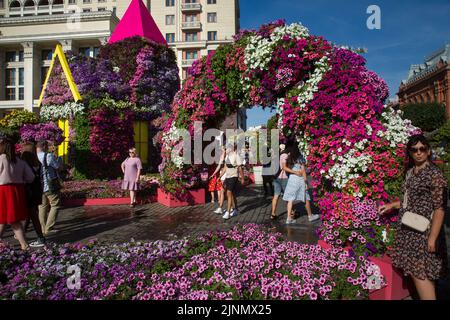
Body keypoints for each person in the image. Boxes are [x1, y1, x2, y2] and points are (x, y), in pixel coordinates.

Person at [379, 134, 448, 300]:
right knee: (421, 273)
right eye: (414, 149)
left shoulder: (434, 175)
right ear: (410, 152)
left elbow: (440, 208)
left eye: (422, 149)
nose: (419, 153)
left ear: (428, 150)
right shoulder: (411, 172)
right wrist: (393, 205)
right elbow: (409, 200)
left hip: (424, 232)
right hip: (409, 230)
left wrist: (432, 238)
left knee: (420, 275)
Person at [0, 139, 35, 250]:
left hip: (3, 190)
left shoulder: (1, 159)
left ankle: (24, 244)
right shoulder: (19, 161)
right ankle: (23, 244)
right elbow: (31, 177)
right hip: (17, 190)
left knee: (8, 218)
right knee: (9, 218)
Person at [282, 146, 319, 224]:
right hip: (300, 179)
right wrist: (306, 182)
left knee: (290, 199)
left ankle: (289, 218)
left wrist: (293, 172)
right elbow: (303, 171)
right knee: (306, 198)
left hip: (292, 179)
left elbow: (284, 167)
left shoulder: (289, 157)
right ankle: (310, 216)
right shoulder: (300, 157)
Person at [21, 143, 46, 248]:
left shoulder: (24, 164)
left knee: (32, 214)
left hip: (28, 191)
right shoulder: (38, 163)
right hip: (37, 191)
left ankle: (40, 237)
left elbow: (26, 179)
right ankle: (21, 233)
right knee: (30, 213)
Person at [37, 140, 62, 236]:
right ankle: (49, 227)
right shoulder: (48, 156)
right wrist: (59, 160)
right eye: (47, 146)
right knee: (55, 204)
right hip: (49, 185)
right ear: (43, 146)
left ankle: (43, 228)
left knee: (42, 206)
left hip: (39, 186)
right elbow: (57, 167)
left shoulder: (33, 156)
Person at [271, 144, 298, 220]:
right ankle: (290, 214)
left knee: (276, 196)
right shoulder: (284, 155)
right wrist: (295, 172)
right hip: (283, 178)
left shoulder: (278, 155)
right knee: (287, 196)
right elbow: (284, 167)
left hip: (276, 177)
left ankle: (273, 214)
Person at [220, 143, 244, 220]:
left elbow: (240, 168)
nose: (226, 150)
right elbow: (225, 167)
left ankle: (228, 212)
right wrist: (219, 176)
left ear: (231, 149)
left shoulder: (236, 156)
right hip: (227, 176)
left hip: (234, 176)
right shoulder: (227, 156)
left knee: (228, 193)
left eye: (226, 149)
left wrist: (242, 178)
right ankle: (235, 209)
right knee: (231, 194)